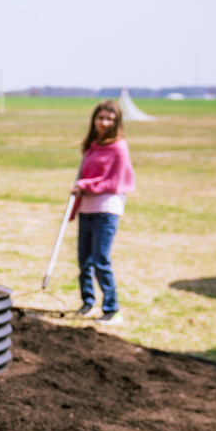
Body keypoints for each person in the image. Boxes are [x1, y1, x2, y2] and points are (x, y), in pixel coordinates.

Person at [72, 100, 135, 324]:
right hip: (87, 209)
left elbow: (115, 181)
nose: (104, 123)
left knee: (101, 260)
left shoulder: (119, 147)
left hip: (106, 210)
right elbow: (82, 175)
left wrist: (86, 186)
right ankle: (87, 303)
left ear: (116, 122)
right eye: (101, 118)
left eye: (109, 119)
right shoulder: (92, 144)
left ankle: (111, 308)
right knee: (84, 261)